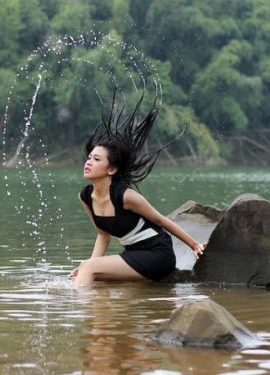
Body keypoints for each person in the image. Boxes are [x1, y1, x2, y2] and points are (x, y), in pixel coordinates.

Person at [70, 92, 205, 287]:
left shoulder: (126, 196)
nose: (88, 162)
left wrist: (194, 245)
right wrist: (89, 266)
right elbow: (102, 235)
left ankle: (81, 311)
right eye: (89, 157)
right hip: (133, 254)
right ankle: (98, 314)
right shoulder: (85, 197)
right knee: (86, 273)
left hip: (157, 255)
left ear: (112, 169)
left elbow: (161, 220)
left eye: (96, 159)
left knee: (88, 269)